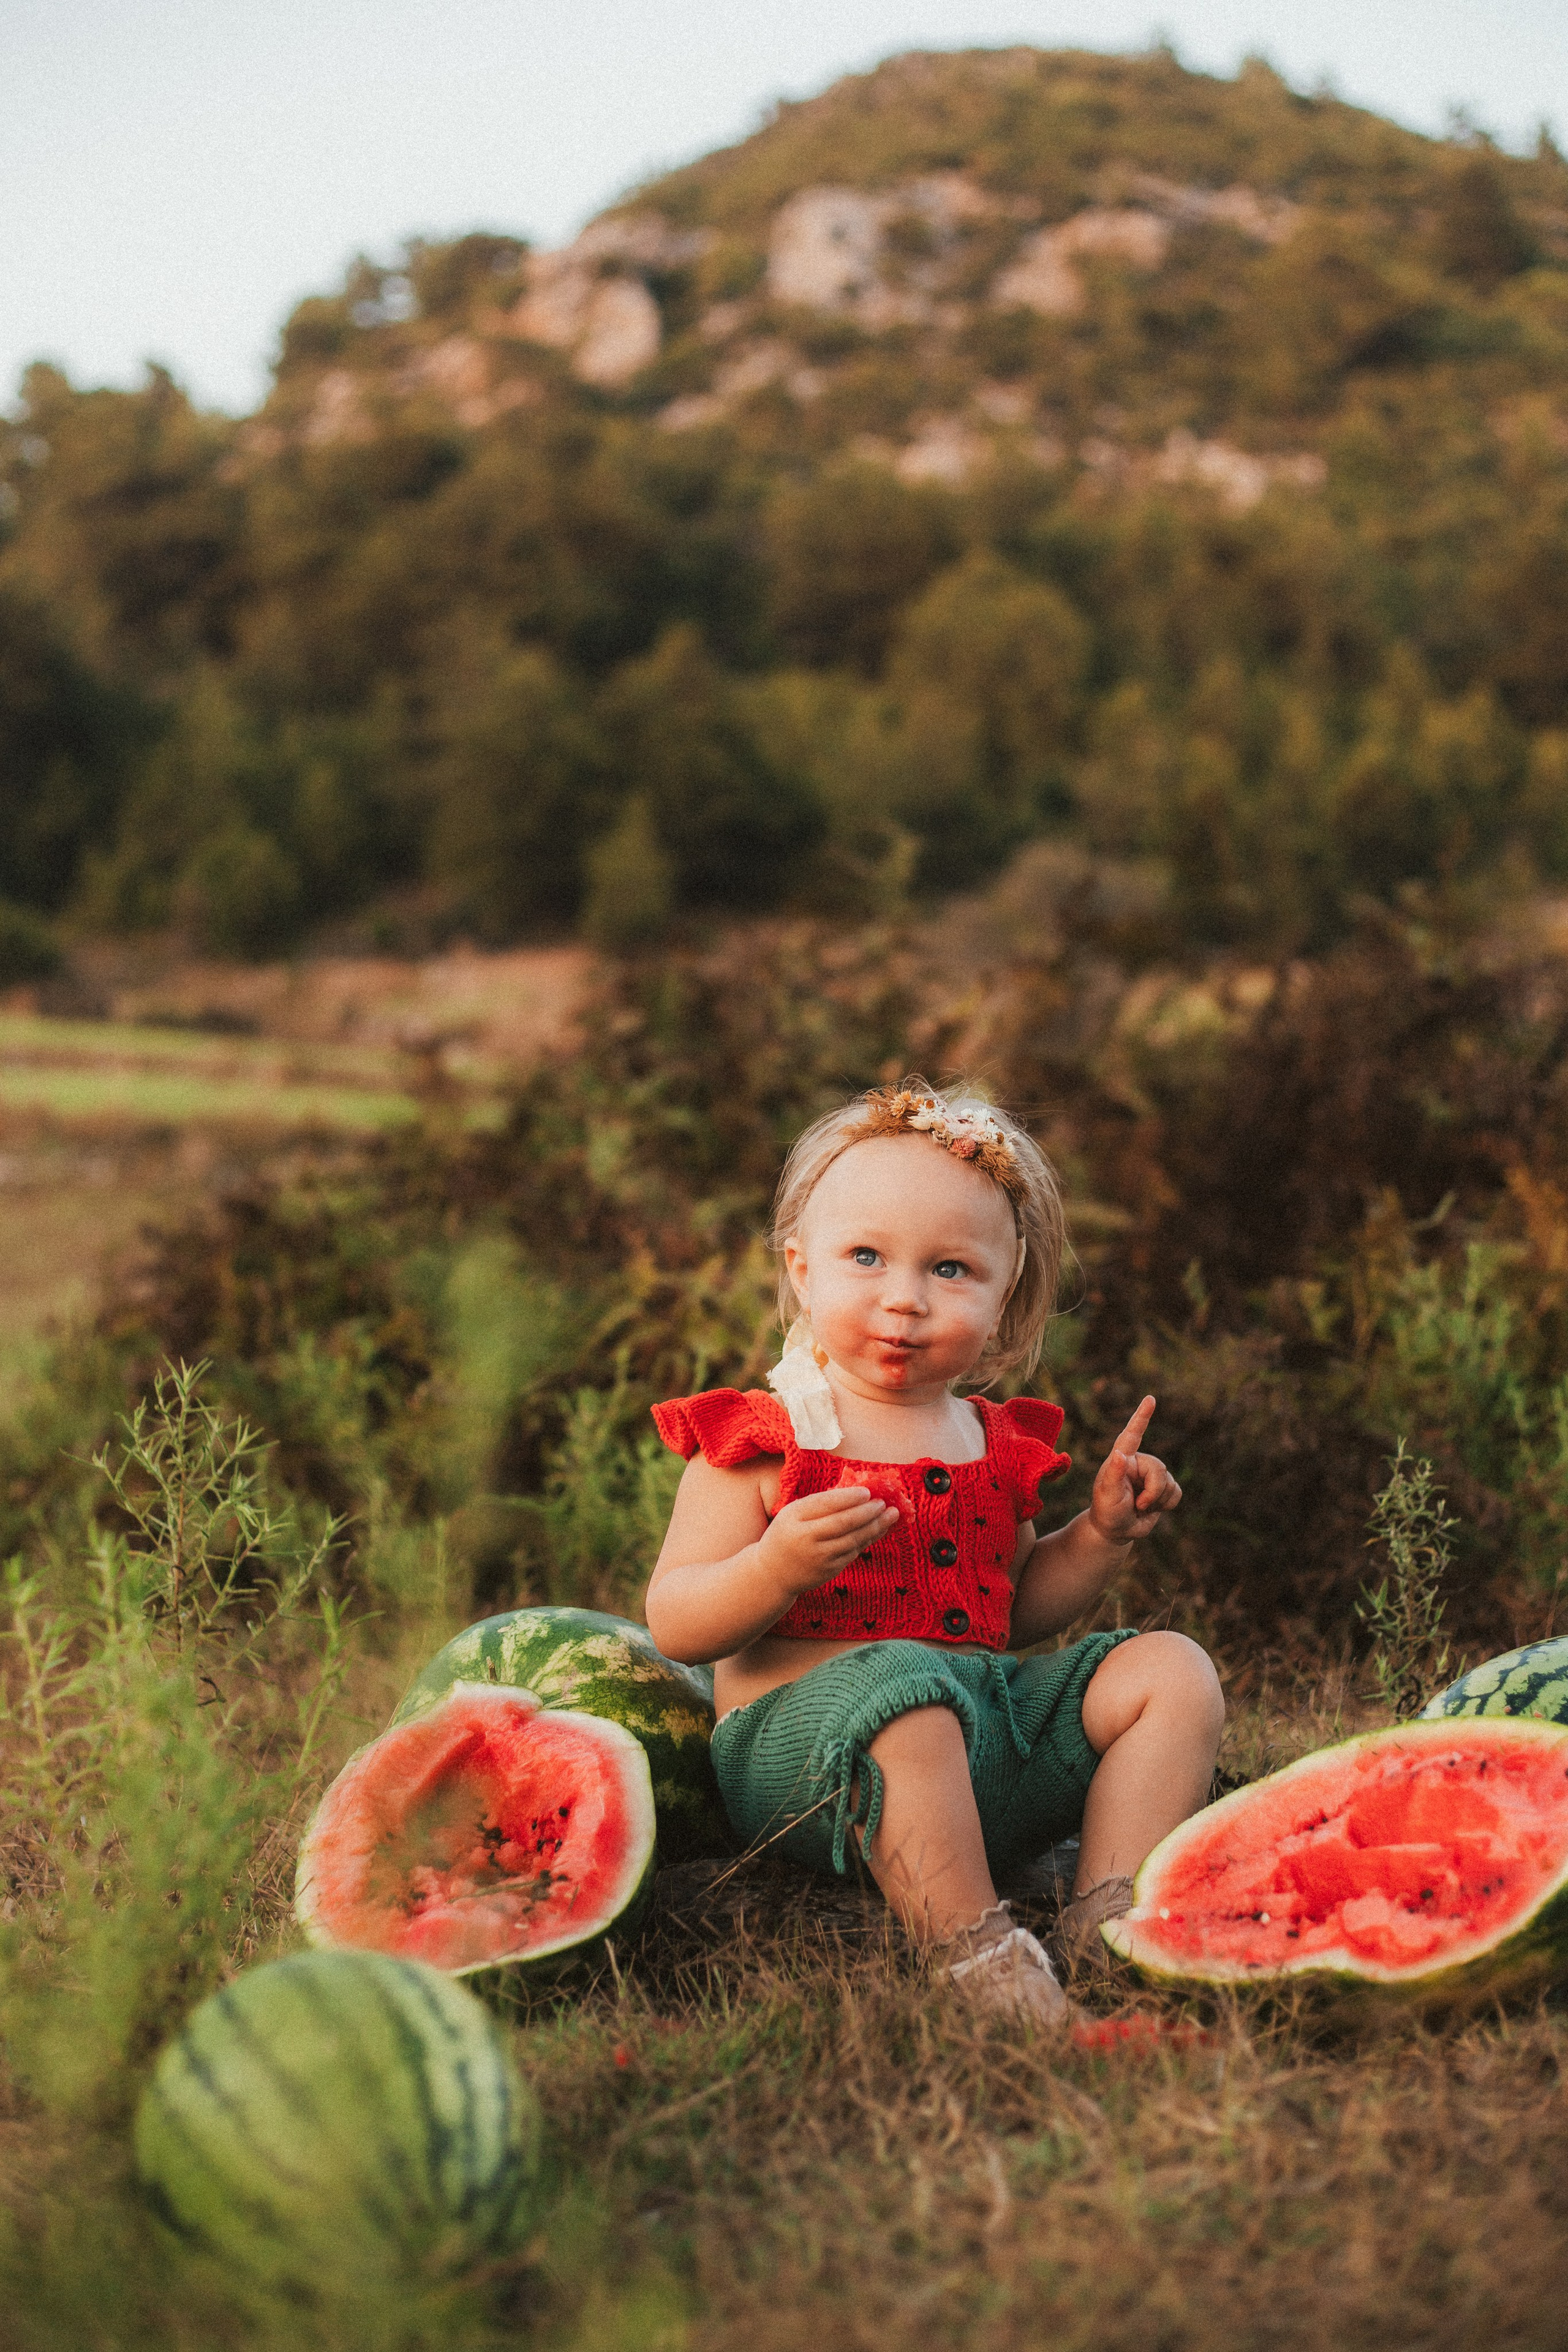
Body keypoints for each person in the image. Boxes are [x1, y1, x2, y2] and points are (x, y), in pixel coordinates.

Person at [644, 1083, 1224, 2024]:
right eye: (865, 1258)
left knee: (1171, 1668)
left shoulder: (991, 1444)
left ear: (1005, 1301)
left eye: (951, 1270)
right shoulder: (763, 1441)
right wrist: (775, 1568)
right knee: (907, 1690)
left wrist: (1101, 1535)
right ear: (801, 1269)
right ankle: (982, 1961)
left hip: (985, 1744)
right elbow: (675, 1621)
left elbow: (1016, 1610)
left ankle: (1109, 1922)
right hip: (808, 1767)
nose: (904, 1300)